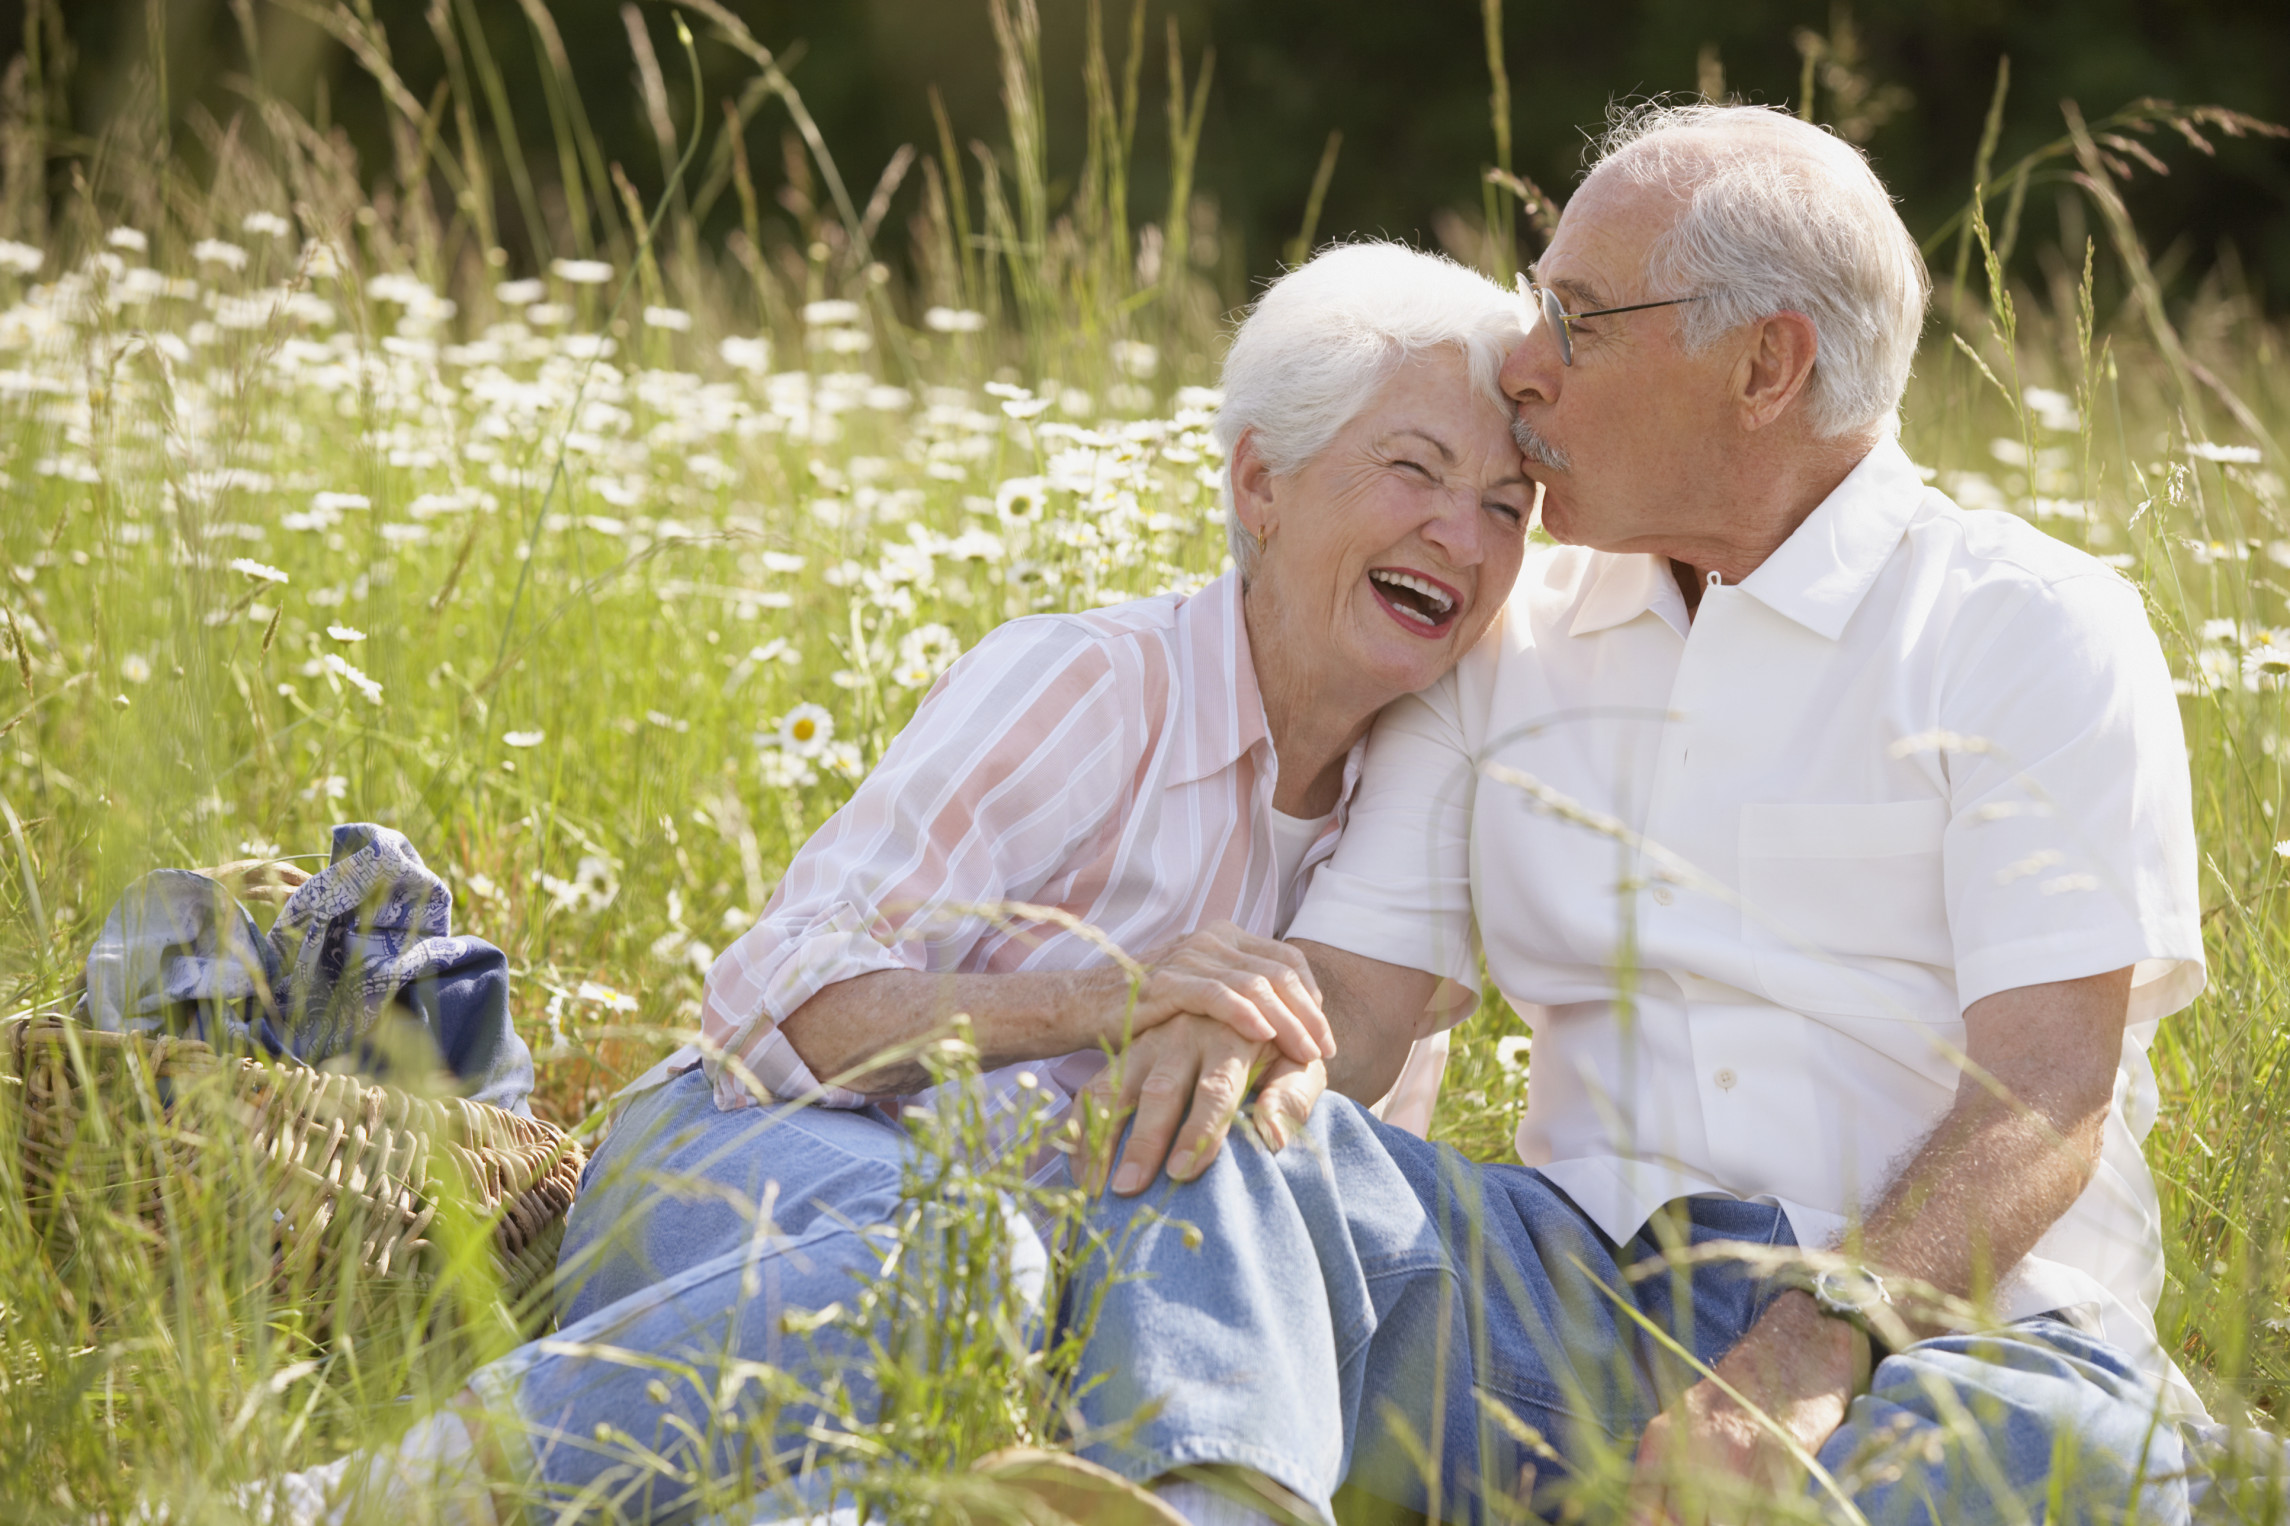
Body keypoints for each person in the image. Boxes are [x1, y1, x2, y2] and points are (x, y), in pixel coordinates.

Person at [1061, 103, 2274, 1526]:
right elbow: (1363, 995)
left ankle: (2183, 1469)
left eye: (1578, 319)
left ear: (1765, 363)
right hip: (1567, 1299)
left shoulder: (2027, 628)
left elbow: (2047, 1096)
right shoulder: (1511, 632)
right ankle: (1210, 1504)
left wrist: (1802, 1357)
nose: (1520, 370)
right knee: (1211, 1131)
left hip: (1940, 1341)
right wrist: (1236, 1019)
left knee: (2006, 1456)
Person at [258, 240, 1534, 1526]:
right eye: (1414, 470)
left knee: (919, 1469)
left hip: (1029, 1316)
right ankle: (343, 1503)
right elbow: (776, 1001)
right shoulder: (1094, 685)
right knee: (966, 1262)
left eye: (1505, 504)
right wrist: (1107, 1001)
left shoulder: (1413, 845)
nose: (1461, 536)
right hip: (759, 1162)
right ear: (1260, 482)